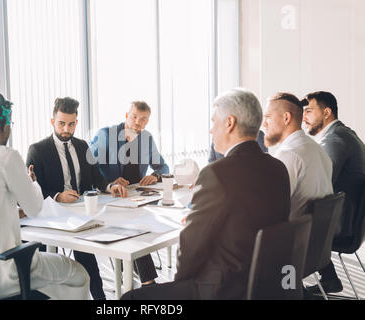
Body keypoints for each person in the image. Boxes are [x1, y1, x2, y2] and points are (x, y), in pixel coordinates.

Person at [121, 88, 291, 300]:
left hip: (224, 288)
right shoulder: (279, 168)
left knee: (129, 299)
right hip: (267, 283)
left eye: (213, 122)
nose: (211, 130)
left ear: (229, 123)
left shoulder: (216, 174)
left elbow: (191, 248)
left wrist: (179, 286)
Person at [0, 92, 90, 300]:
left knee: (56, 286)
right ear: (3, 125)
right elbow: (34, 208)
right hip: (6, 271)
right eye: (9, 122)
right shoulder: (5, 156)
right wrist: (32, 181)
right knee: (78, 275)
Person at [26, 97, 127, 300]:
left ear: (76, 123)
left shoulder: (82, 146)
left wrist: (110, 186)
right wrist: (57, 196)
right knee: (44, 264)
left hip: (82, 214)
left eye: (71, 124)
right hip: (53, 217)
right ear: (52, 121)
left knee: (88, 258)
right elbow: (32, 190)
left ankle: (101, 300)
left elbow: (96, 176)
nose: (66, 129)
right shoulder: (37, 150)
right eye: (61, 123)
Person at [89, 101, 169, 287]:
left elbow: (163, 166)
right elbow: (89, 168)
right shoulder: (106, 135)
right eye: (134, 117)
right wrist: (109, 183)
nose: (137, 122)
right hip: (110, 198)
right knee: (135, 228)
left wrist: (155, 175)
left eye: (143, 119)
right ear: (126, 116)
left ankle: (141, 275)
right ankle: (148, 283)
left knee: (141, 225)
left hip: (135, 198)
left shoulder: (146, 139)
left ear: (147, 122)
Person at [302, 91, 365, 295]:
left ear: (327, 112)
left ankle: (289, 288)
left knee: (286, 229)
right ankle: (328, 278)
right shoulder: (346, 134)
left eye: (309, 111)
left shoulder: (336, 139)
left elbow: (321, 182)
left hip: (340, 225)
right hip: (351, 222)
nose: (304, 118)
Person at [262, 92, 333, 220]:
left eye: (268, 117)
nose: (264, 124)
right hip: (314, 238)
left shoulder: (289, 155)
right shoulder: (318, 149)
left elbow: (269, 210)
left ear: (286, 118)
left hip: (292, 238)